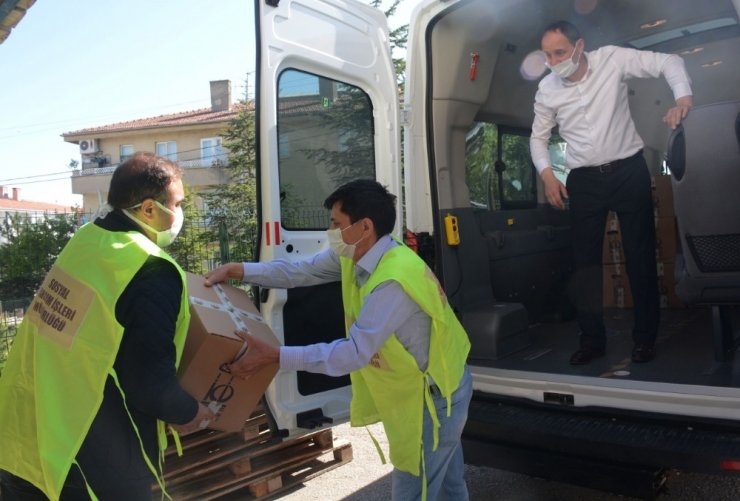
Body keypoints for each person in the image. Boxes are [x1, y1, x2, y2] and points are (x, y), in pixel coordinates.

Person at [205, 179, 472, 501]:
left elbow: (353, 354)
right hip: (433, 388)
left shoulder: (393, 281)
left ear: (364, 227)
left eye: (335, 223)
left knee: (415, 492)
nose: (329, 230)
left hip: (437, 400)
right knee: (447, 486)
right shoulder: (358, 255)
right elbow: (300, 272)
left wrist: (276, 356)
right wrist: (240, 271)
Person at [0, 152, 213, 500]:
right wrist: (189, 411)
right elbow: (149, 383)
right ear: (148, 209)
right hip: (89, 452)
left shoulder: (87, 241)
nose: (181, 214)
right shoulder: (149, 268)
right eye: (178, 203)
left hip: (25, 431)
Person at [529, 20, 693, 365]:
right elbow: (538, 138)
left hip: (628, 171)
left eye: (560, 52)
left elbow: (669, 62)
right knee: (584, 265)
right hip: (583, 182)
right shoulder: (546, 90)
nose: (554, 61)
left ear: (579, 47)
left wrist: (683, 98)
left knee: (641, 258)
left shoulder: (612, 59)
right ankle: (592, 342)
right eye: (547, 55)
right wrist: (547, 175)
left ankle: (645, 339)